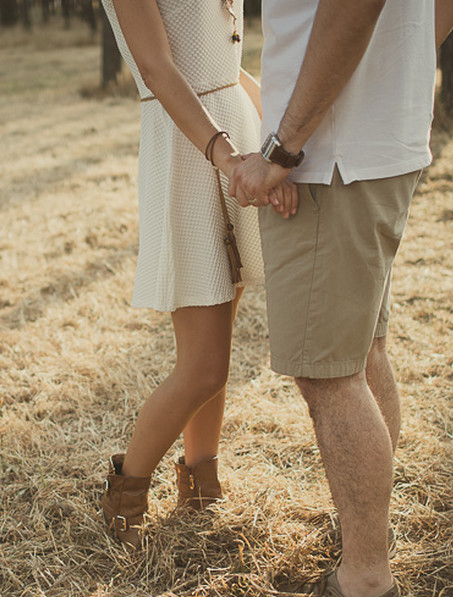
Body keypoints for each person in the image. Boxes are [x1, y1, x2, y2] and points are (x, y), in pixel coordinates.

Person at [229, 0, 453, 597]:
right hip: (376, 139)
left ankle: (365, 577)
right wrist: (405, 62)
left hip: (329, 154)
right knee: (362, 355)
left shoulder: (308, 147)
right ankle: (367, 540)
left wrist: (283, 148)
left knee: (328, 372)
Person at [98, 0, 298, 548]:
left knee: (218, 352)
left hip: (234, 138)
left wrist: (276, 150)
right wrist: (227, 156)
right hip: (190, 151)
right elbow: (159, 69)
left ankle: (201, 483)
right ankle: (126, 494)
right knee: (203, 366)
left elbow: (227, 73)